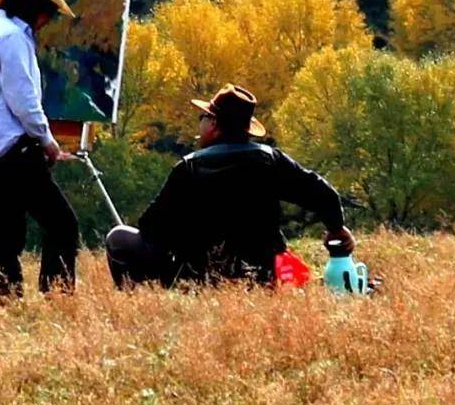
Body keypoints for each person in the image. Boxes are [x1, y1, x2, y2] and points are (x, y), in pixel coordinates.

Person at [105, 83, 354, 287]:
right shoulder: (270, 161)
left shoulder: (188, 168)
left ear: (213, 124)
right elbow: (324, 194)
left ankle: (137, 305)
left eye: (202, 117)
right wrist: (336, 229)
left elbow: (150, 227)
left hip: (198, 278)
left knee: (119, 238)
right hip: (263, 276)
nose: (199, 124)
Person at [0, 0, 80, 297]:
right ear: (37, 9)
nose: (49, 22)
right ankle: (57, 295)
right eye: (50, 13)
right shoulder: (13, 38)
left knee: (9, 224)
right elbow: (24, 100)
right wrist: (48, 142)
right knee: (62, 223)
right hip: (14, 146)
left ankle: (2, 291)